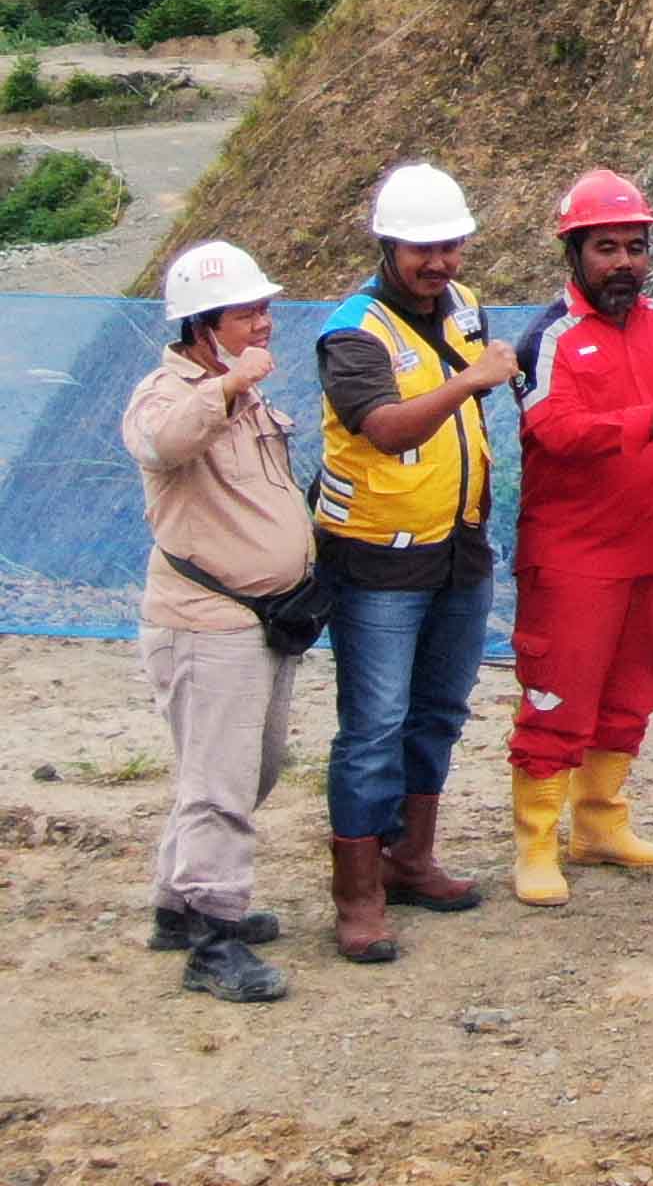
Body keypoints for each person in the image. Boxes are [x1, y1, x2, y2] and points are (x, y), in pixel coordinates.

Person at [503, 168, 653, 905]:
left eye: (635, 246)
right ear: (573, 253)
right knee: (557, 694)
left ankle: (600, 823)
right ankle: (536, 844)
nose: (624, 263)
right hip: (572, 558)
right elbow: (553, 430)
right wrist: (644, 423)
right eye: (607, 247)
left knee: (634, 689)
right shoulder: (549, 338)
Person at [313, 160, 517, 964]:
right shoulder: (353, 331)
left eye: (450, 247)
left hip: (459, 549)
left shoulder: (463, 307)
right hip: (377, 560)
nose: (438, 263)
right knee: (372, 728)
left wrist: (478, 373)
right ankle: (356, 896)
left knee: (439, 711)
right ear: (387, 245)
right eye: (420, 250)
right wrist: (471, 379)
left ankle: (411, 857)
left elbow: (478, 397)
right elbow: (388, 428)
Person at [124, 240, 305, 1003]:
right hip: (206, 623)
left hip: (258, 622)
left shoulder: (244, 393)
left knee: (244, 770)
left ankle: (179, 902)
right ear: (204, 325)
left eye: (264, 309)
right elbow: (162, 443)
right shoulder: (167, 392)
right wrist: (229, 384)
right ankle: (210, 936)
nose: (263, 323)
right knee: (221, 784)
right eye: (246, 312)